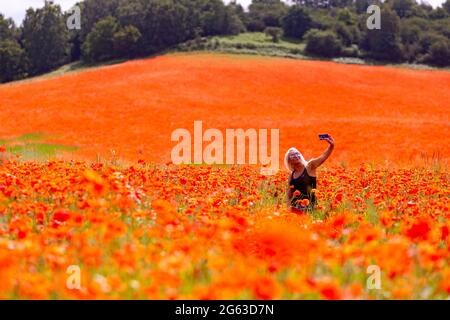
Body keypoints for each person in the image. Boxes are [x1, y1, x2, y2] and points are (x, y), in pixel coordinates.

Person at [285, 135, 335, 212]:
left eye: (297, 153)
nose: (296, 156)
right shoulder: (291, 176)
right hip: (295, 211)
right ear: (289, 160)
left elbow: (323, 157)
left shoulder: (310, 166)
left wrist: (331, 146)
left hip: (310, 209)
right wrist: (289, 209)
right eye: (292, 155)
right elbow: (288, 195)